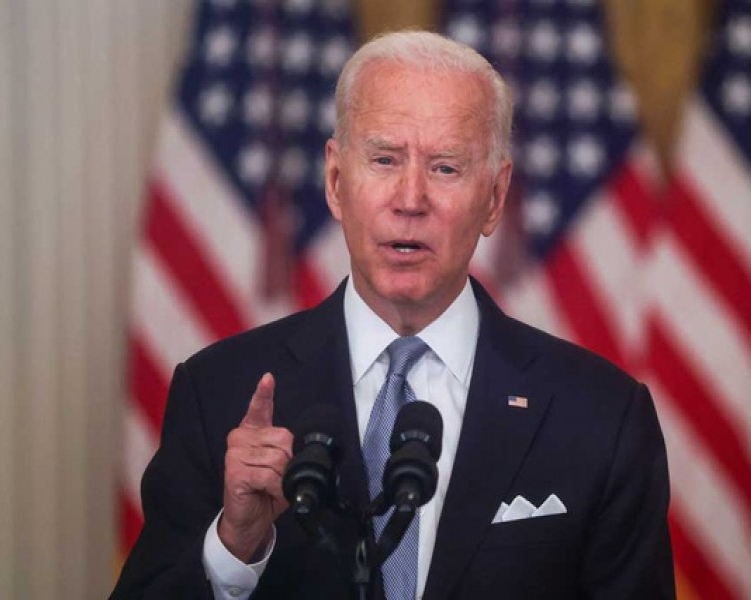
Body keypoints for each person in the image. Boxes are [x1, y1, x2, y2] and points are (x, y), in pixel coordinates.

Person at [111, 31, 675, 599]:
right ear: (336, 182)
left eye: (446, 168)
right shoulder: (217, 395)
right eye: (384, 160)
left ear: (496, 198)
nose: (410, 199)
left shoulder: (601, 416)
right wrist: (234, 546)